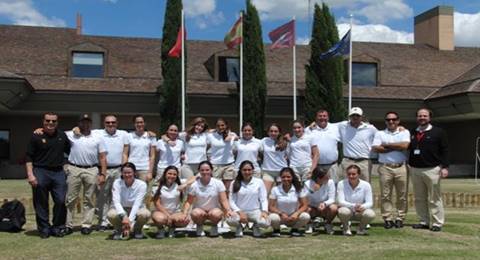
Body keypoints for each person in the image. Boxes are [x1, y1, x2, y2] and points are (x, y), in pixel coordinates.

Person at [25, 112, 71, 238]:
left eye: (53, 121)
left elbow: (71, 149)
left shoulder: (62, 135)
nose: (50, 123)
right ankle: (44, 228)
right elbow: (28, 157)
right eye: (48, 120)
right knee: (41, 202)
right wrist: (30, 174)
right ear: (43, 121)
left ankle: (58, 227)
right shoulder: (36, 136)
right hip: (40, 171)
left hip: (58, 172)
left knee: (61, 200)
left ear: (57, 122)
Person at [64, 114, 107, 235]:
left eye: (87, 122)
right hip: (74, 168)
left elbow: (103, 157)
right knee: (70, 198)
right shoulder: (71, 135)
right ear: (79, 123)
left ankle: (86, 224)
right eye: (83, 122)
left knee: (89, 199)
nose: (85, 124)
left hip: (91, 169)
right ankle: (68, 225)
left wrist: (103, 173)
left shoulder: (97, 138)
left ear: (91, 124)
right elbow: (55, 133)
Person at [408, 108, 449, 232]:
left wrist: (445, 167)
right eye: (420, 116)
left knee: (434, 198)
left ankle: (437, 222)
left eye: (425, 116)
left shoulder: (438, 132)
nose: (422, 118)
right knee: (419, 198)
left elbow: (445, 150)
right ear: (417, 118)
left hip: (432, 169)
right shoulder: (412, 132)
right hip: (415, 169)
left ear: (429, 118)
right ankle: (423, 221)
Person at [372, 111, 410, 229]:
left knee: (402, 195)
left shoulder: (404, 132)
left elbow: (404, 146)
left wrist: (386, 145)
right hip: (385, 167)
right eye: (388, 120)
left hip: (401, 167)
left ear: (398, 121)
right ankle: (387, 218)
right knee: (385, 195)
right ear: (385, 122)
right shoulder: (380, 133)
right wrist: (396, 146)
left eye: (394, 119)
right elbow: (375, 148)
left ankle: (400, 218)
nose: (391, 122)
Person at [91, 115, 129, 231]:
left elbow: (125, 153)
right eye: (108, 122)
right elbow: (76, 132)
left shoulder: (124, 134)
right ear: (104, 123)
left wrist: (124, 168)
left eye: (113, 122)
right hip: (103, 170)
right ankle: (102, 221)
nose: (110, 124)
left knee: (116, 196)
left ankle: (114, 221)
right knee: (102, 196)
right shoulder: (97, 133)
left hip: (119, 169)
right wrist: (75, 130)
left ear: (117, 123)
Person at [182, 161, 233, 237]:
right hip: (199, 211)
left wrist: (228, 210)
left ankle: (214, 226)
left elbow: (224, 200)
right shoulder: (194, 185)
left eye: (207, 170)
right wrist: (185, 213)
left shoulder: (218, 183)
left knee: (217, 214)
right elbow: (189, 201)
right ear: (199, 171)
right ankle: (199, 226)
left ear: (211, 170)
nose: (205, 172)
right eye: (202, 170)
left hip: (213, 210)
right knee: (195, 213)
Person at [107, 162, 151, 240]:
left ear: (134, 173)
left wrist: (129, 221)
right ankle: (119, 230)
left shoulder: (142, 184)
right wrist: (124, 216)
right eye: (125, 173)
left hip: (136, 209)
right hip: (122, 209)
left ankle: (137, 230)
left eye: (129, 172)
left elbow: (137, 204)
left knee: (145, 214)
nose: (127, 175)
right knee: (111, 214)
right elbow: (116, 202)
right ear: (122, 173)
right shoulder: (117, 183)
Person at [226, 161, 270, 238]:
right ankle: (239, 227)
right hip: (240, 212)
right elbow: (231, 201)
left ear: (253, 170)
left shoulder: (259, 182)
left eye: (249, 170)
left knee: (265, 223)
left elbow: (263, 199)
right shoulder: (234, 183)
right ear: (240, 171)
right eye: (244, 170)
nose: (247, 172)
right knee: (230, 219)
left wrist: (264, 211)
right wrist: (239, 212)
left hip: (255, 211)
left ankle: (255, 226)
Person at [338, 107, 378, 182]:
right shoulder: (342, 125)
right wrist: (314, 124)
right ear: (349, 117)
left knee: (365, 185)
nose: (355, 117)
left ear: (362, 117)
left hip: (364, 162)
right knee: (346, 185)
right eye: (353, 115)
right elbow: (328, 126)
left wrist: (399, 127)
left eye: (357, 115)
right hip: (348, 161)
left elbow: (381, 136)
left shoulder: (370, 128)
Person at [268, 167, 310, 237]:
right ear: (280, 178)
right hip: (280, 218)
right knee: (272, 217)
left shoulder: (298, 188)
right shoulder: (275, 189)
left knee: (306, 216)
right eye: (283, 177)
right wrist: (281, 214)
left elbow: (305, 205)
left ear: (292, 177)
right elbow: (271, 207)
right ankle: (276, 230)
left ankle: (295, 229)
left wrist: (296, 214)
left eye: (288, 177)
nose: (286, 179)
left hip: (294, 217)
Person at [151, 166, 189, 239]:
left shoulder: (179, 184)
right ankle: (161, 230)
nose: (172, 176)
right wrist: (168, 216)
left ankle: (172, 229)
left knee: (185, 220)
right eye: (169, 173)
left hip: (175, 212)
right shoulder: (157, 185)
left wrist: (185, 184)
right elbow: (157, 204)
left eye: (174, 174)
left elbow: (196, 177)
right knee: (160, 219)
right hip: (161, 212)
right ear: (165, 174)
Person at [337, 165, 375, 236]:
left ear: (359, 174)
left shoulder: (366, 185)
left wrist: (362, 207)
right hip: (347, 211)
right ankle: (346, 228)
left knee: (370, 214)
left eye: (354, 174)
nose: (351, 176)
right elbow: (340, 201)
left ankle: (361, 229)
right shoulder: (341, 183)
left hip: (360, 211)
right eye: (349, 174)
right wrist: (354, 206)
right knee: (342, 211)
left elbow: (370, 202)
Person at [305, 110, 341, 183]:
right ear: (316, 118)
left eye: (324, 116)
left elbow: (348, 123)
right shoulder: (309, 130)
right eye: (320, 116)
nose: (322, 118)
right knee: (317, 188)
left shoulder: (335, 128)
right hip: (316, 167)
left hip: (332, 166)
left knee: (333, 188)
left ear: (328, 118)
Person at [122, 115, 156, 183]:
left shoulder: (151, 137)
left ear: (144, 123)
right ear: (134, 124)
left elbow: (152, 156)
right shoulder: (128, 136)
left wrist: (150, 172)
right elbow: (125, 154)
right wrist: (124, 169)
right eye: (137, 122)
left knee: (143, 192)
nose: (139, 124)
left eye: (141, 122)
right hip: (131, 168)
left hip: (145, 169)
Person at [304, 166, 337, 235]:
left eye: (328, 176)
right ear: (318, 178)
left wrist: (324, 204)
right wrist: (313, 190)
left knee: (334, 208)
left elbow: (332, 199)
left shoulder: (330, 182)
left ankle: (327, 224)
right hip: (312, 207)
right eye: (326, 177)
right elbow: (304, 199)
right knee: (304, 208)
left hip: (325, 207)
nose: (328, 178)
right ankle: (309, 224)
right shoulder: (307, 183)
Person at [207, 118, 238, 190]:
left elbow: (237, 138)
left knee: (228, 189)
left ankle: (226, 201)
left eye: (222, 125)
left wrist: (232, 137)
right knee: (216, 188)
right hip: (215, 165)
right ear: (215, 127)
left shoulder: (232, 134)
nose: (220, 127)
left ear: (226, 125)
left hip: (229, 164)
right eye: (218, 126)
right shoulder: (211, 136)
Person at [260, 124, 288, 194]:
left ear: (279, 132)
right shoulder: (264, 140)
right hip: (267, 171)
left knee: (282, 194)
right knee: (265, 194)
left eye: (275, 131)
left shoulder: (285, 142)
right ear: (268, 132)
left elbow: (289, 155)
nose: (273, 133)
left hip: (281, 171)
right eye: (271, 131)